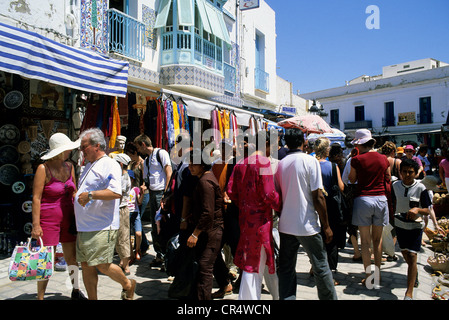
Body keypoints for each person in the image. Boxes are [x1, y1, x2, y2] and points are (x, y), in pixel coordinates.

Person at [275, 128, 337, 300]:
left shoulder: (281, 164)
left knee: (286, 268)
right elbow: (318, 196)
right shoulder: (311, 162)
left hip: (286, 225)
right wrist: (326, 226)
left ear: (285, 142)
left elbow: (278, 196)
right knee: (321, 266)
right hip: (308, 224)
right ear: (303, 142)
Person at [74, 128, 136, 300]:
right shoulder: (88, 165)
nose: (82, 150)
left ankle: (128, 285)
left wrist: (90, 195)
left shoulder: (110, 164)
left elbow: (116, 192)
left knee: (102, 265)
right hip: (85, 225)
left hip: (101, 225)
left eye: (84, 146)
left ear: (97, 146)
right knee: (86, 265)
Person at [31, 132, 87, 300]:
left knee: (72, 257)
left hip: (68, 218)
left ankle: (75, 290)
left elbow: (75, 193)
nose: (70, 151)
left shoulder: (69, 167)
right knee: (46, 259)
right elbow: (36, 197)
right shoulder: (43, 168)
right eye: (67, 149)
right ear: (60, 151)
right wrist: (36, 225)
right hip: (48, 220)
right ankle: (40, 296)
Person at [227, 132, 281, 300]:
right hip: (261, 222)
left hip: (245, 220)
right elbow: (269, 194)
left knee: (258, 262)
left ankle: (278, 295)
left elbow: (231, 192)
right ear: (266, 143)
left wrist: (245, 204)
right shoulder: (263, 163)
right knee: (254, 264)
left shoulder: (240, 164)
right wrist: (281, 204)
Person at [348, 129, 391, 287]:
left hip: (363, 199)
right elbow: (387, 178)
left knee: (365, 242)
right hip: (381, 200)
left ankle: (368, 276)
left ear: (359, 144)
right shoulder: (384, 159)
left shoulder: (356, 159)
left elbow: (352, 179)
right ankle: (378, 275)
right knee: (377, 240)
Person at [187, 148, 224, 300]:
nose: (190, 167)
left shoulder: (205, 181)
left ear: (202, 165)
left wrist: (195, 234)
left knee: (204, 268)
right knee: (204, 266)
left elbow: (207, 213)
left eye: (193, 164)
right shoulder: (205, 178)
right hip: (210, 230)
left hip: (212, 231)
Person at [392, 158, 431, 300]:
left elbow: (427, 210)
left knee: (413, 255)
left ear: (416, 173)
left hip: (415, 227)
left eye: (411, 172)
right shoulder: (395, 186)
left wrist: (417, 210)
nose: (407, 175)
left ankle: (409, 292)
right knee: (406, 255)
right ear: (400, 172)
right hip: (400, 225)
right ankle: (414, 274)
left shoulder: (421, 188)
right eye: (404, 172)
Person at [134, 134, 172, 269]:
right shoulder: (146, 160)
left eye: (138, 147)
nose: (138, 150)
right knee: (155, 226)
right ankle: (159, 255)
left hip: (161, 193)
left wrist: (166, 194)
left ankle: (168, 256)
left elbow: (169, 172)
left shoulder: (161, 153)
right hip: (152, 194)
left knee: (163, 225)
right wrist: (142, 189)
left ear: (143, 144)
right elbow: (147, 181)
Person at [314, 137, 346, 285]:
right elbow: (341, 187)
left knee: (317, 238)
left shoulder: (311, 164)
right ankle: (329, 272)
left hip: (313, 205)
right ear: (327, 150)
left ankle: (314, 267)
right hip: (330, 208)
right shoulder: (333, 167)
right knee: (330, 240)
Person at [211, 140, 237, 299]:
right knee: (213, 250)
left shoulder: (236, 165)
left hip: (233, 214)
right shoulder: (215, 165)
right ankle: (225, 281)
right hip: (219, 213)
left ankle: (235, 275)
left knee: (236, 248)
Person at [125, 142, 150, 255]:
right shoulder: (132, 163)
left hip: (142, 193)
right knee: (136, 219)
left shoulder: (142, 163)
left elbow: (145, 178)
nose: (129, 156)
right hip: (133, 193)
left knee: (137, 217)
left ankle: (142, 246)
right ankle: (142, 245)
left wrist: (143, 189)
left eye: (130, 154)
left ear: (135, 152)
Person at [114, 153, 132, 276]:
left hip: (121, 210)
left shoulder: (124, 177)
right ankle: (123, 261)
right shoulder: (120, 176)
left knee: (123, 237)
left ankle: (126, 265)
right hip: (117, 209)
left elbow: (118, 194)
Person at [127, 170, 144, 262]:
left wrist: (142, 193)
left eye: (130, 179)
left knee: (138, 233)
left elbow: (140, 202)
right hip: (126, 213)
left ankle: (137, 249)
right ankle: (131, 254)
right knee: (127, 235)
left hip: (135, 212)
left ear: (132, 180)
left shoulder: (135, 189)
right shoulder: (123, 189)